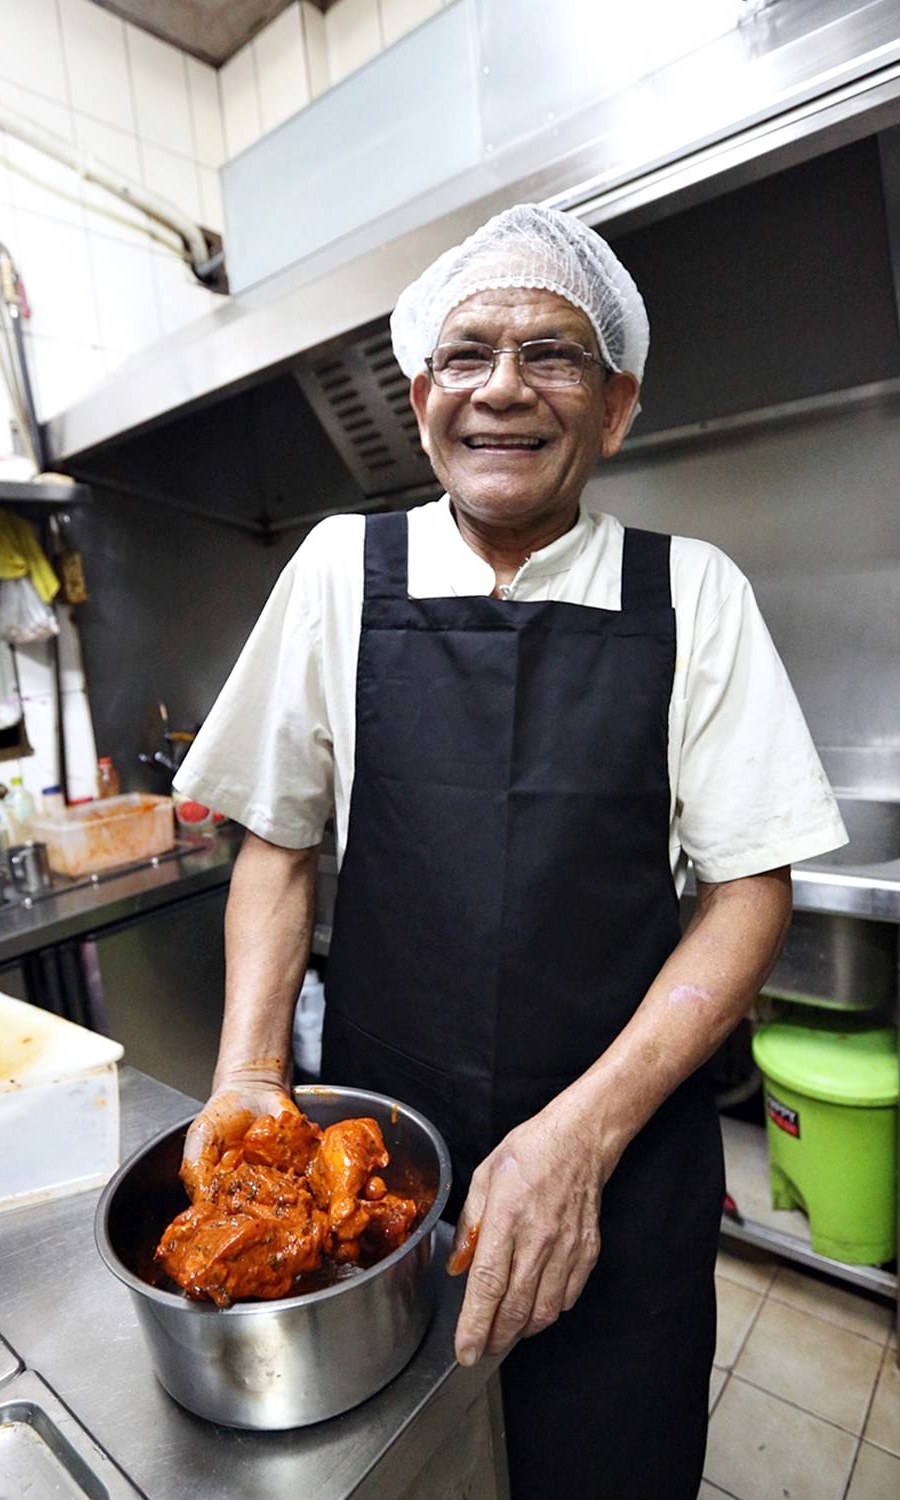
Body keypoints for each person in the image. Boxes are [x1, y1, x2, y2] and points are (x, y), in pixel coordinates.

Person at [173, 204, 846, 1497]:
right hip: (385, 1169)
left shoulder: (688, 593)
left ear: (617, 406)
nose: (504, 389)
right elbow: (279, 842)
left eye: (555, 356)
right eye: (469, 353)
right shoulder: (336, 571)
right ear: (421, 392)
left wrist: (580, 1140)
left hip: (625, 1159)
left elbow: (753, 891)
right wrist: (251, 1069)